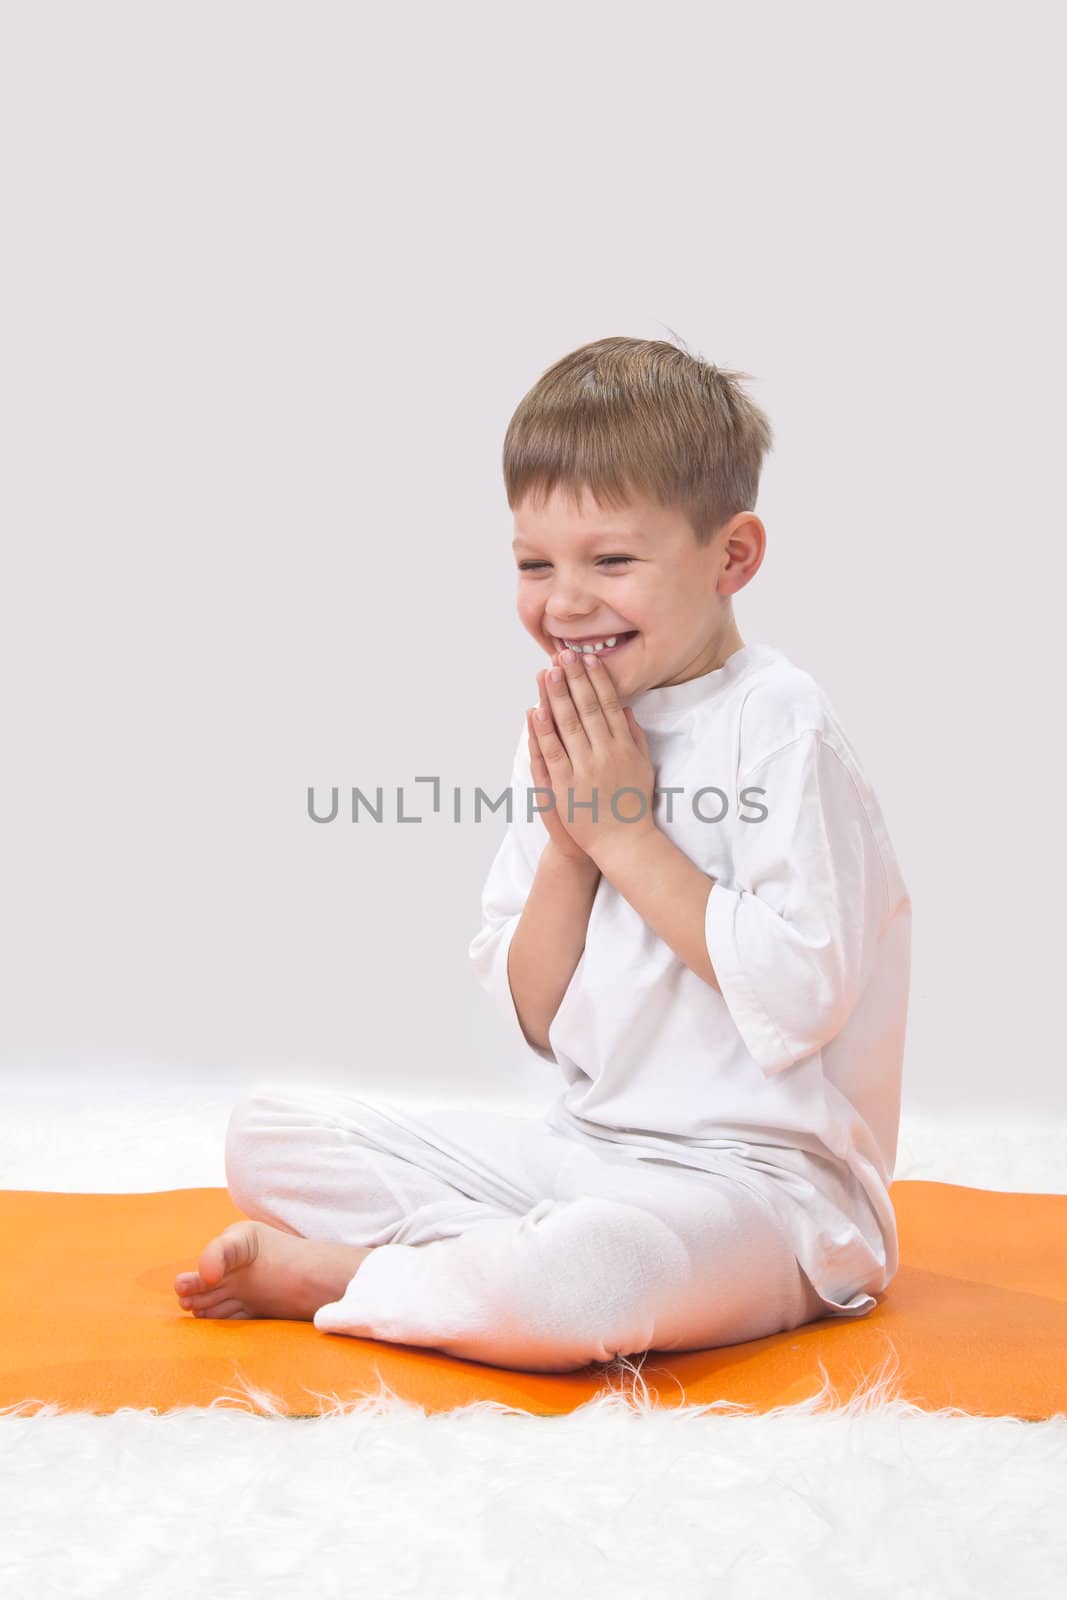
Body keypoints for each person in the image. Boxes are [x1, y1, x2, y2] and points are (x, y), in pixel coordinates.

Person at [173, 336, 912, 1374]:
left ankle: (348, 1277)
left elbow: (801, 998)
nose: (563, 603)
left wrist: (622, 833)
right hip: (584, 1150)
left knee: (591, 1277)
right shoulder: (574, 719)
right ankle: (485, 1262)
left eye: (610, 561)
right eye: (533, 564)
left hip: (763, 1192)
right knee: (266, 1133)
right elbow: (534, 1017)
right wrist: (570, 851)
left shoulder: (779, 720)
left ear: (731, 555)